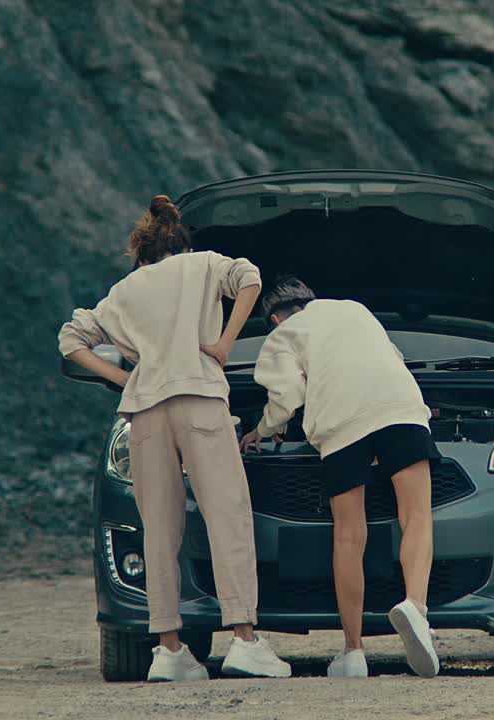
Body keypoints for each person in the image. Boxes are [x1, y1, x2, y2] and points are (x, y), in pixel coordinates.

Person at [58, 195, 290, 682]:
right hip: (199, 396)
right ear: (179, 245)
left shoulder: (122, 291)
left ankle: (168, 648)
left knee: (158, 529)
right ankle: (244, 641)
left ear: (141, 254)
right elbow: (251, 278)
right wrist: (225, 343)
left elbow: (70, 342)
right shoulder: (203, 265)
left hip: (145, 411)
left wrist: (125, 380)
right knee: (227, 515)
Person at [242, 277, 440, 679]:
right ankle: (415, 606)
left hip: (340, 420)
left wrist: (261, 431)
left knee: (349, 535)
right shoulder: (355, 308)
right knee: (416, 515)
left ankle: (353, 652)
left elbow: (284, 397)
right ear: (310, 300)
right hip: (397, 405)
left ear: (276, 317)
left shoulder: (285, 333)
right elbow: (392, 358)